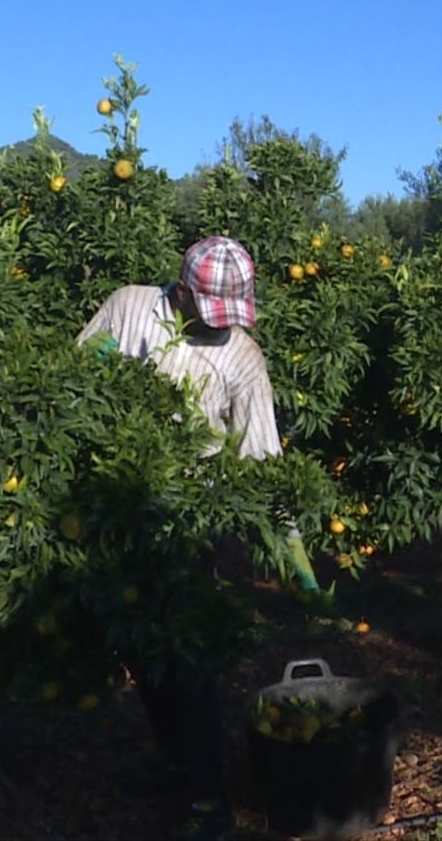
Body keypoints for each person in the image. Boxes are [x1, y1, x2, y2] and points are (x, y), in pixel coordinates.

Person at [76, 234, 282, 838]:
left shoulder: (243, 357)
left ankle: (208, 798)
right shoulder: (129, 307)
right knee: (143, 650)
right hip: (119, 508)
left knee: (190, 661)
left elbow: (261, 459)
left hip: (191, 526)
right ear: (184, 289)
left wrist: (281, 547)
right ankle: (173, 765)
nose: (221, 327)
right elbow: (81, 374)